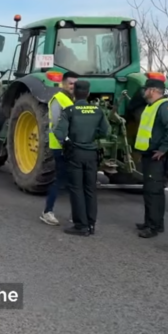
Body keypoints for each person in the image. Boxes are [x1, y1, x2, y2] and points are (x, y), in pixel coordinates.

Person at [133, 77, 168, 238]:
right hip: (149, 155)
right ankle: (152, 222)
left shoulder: (166, 107)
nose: (144, 92)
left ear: (152, 90)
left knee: (154, 192)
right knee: (151, 191)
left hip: (157, 157)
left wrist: (163, 150)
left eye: (145, 89)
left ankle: (153, 227)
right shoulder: (152, 106)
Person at [53, 80, 110, 236]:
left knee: (76, 189)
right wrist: (92, 137)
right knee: (90, 189)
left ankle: (81, 225)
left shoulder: (70, 111)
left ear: (74, 93)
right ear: (88, 93)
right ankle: (91, 224)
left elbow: (59, 133)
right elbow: (106, 132)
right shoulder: (98, 111)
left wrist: (67, 141)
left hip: (75, 153)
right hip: (92, 154)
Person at [40, 71, 79, 225]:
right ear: (63, 83)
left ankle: (75, 214)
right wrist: (65, 142)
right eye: (70, 83)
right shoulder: (58, 99)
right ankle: (47, 212)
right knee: (60, 178)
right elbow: (57, 126)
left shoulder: (75, 99)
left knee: (72, 180)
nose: (73, 86)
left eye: (76, 84)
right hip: (60, 145)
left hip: (72, 145)